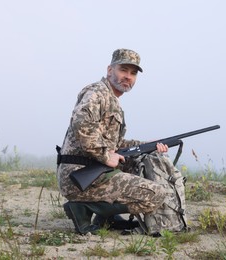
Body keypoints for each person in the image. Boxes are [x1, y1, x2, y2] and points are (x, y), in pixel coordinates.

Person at [57, 48, 169, 234]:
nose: (128, 77)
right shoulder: (98, 93)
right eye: (123, 70)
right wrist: (104, 155)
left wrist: (148, 145)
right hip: (79, 177)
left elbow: (116, 145)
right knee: (155, 194)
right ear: (110, 70)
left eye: (133, 73)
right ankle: (83, 208)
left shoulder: (112, 99)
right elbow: (81, 124)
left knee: (137, 162)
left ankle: (106, 217)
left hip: (91, 174)